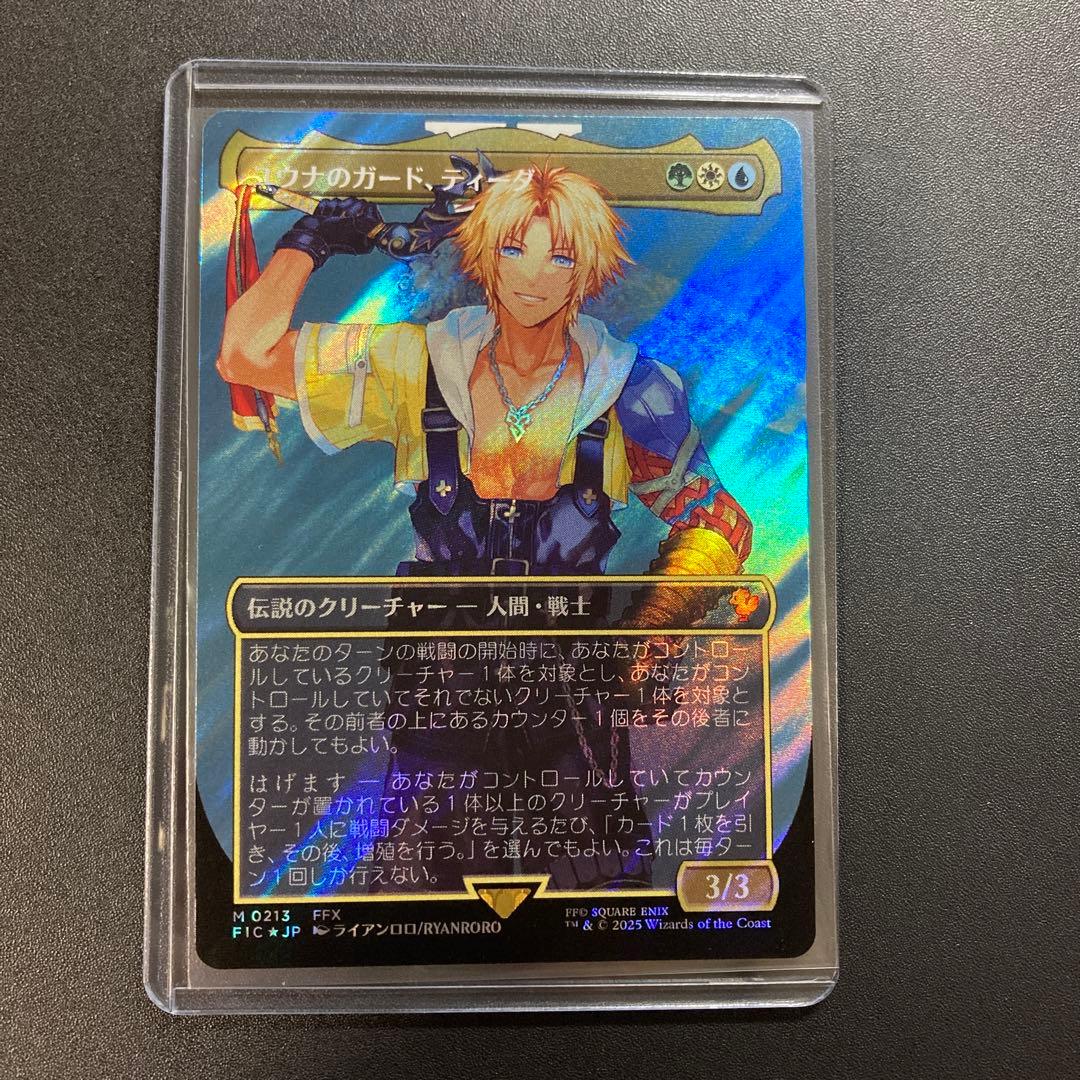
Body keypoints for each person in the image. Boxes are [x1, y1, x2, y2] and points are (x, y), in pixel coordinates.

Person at [218, 163, 754, 890]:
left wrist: (648, 635)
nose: (533, 275)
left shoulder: (629, 388)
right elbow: (244, 355)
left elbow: (717, 521)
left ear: (588, 270)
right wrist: (309, 242)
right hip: (438, 715)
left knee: (594, 904)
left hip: (572, 719)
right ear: (483, 255)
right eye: (513, 248)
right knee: (418, 908)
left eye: (559, 256)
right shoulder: (414, 365)